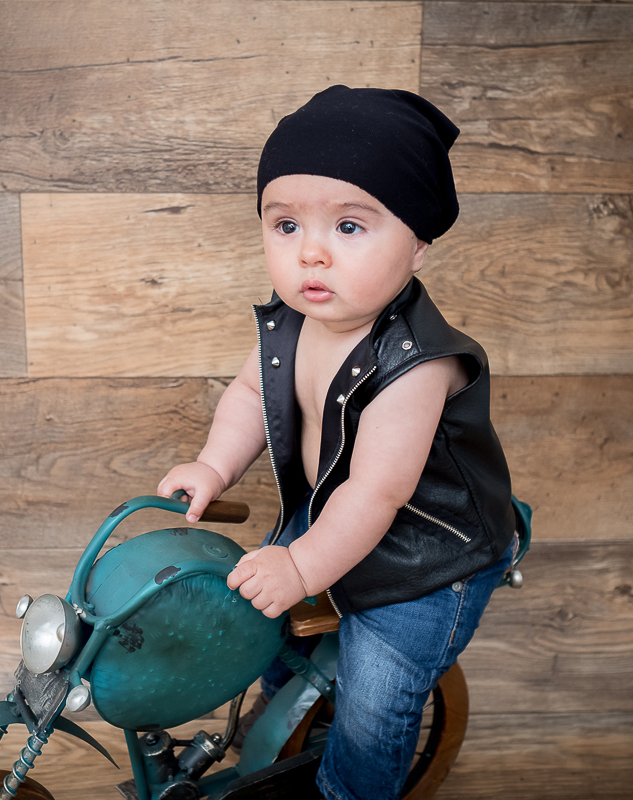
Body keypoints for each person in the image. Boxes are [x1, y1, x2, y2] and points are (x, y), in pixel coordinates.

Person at [157, 85, 518, 800]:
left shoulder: (419, 363)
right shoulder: (292, 324)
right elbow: (252, 396)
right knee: (272, 636)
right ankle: (280, 733)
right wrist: (213, 464)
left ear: (417, 242)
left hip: (423, 559)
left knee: (374, 699)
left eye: (349, 227)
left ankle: (351, 786)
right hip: (329, 523)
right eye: (285, 226)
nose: (311, 254)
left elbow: (380, 490)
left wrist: (300, 567)